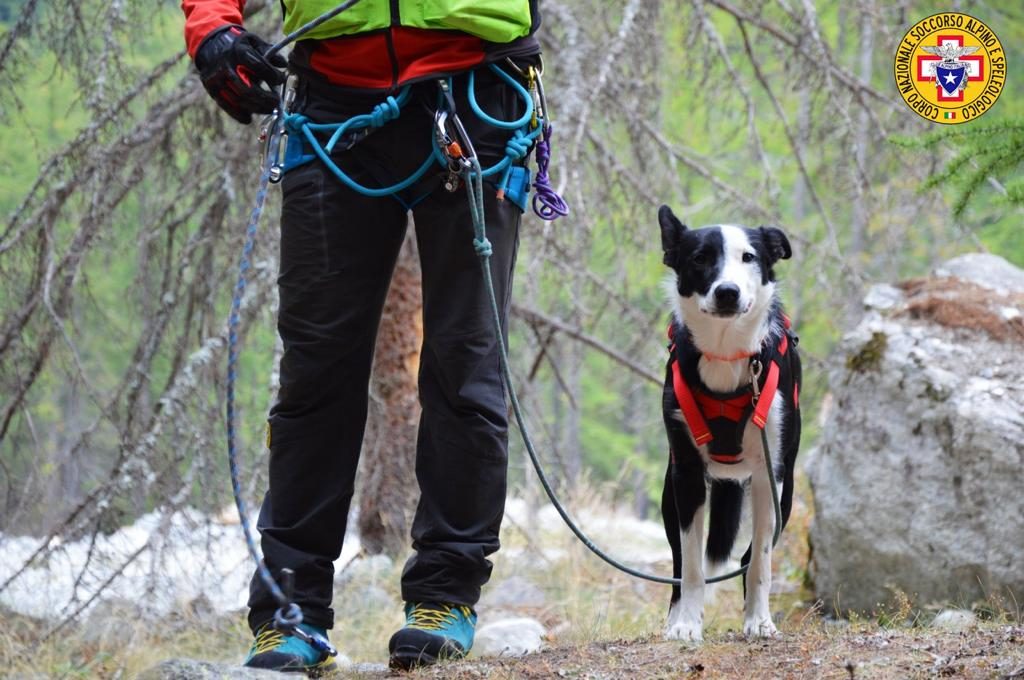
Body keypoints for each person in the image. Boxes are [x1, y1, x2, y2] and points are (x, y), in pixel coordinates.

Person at [181, 0, 543, 674]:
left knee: (465, 357)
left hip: (477, 91)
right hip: (333, 103)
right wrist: (212, 27)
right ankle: (292, 612)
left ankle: (444, 597)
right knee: (317, 369)